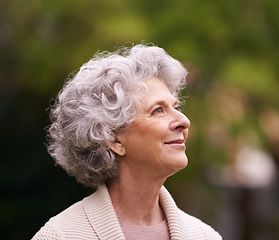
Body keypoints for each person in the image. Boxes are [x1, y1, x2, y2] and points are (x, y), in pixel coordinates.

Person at [32, 44, 222, 240]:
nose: (184, 121)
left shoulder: (205, 236)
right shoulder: (61, 235)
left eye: (177, 108)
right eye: (158, 110)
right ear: (113, 139)